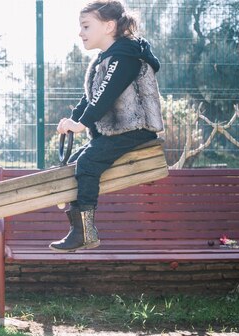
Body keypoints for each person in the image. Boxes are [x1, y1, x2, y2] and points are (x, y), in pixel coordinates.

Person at [50, 0, 164, 252]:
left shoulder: (126, 57)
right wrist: (72, 120)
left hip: (135, 129)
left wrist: (81, 124)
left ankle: (86, 233)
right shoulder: (107, 58)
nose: (80, 33)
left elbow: (105, 95)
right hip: (116, 132)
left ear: (109, 26)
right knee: (76, 164)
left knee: (88, 163)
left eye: (86, 26)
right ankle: (77, 229)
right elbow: (90, 97)